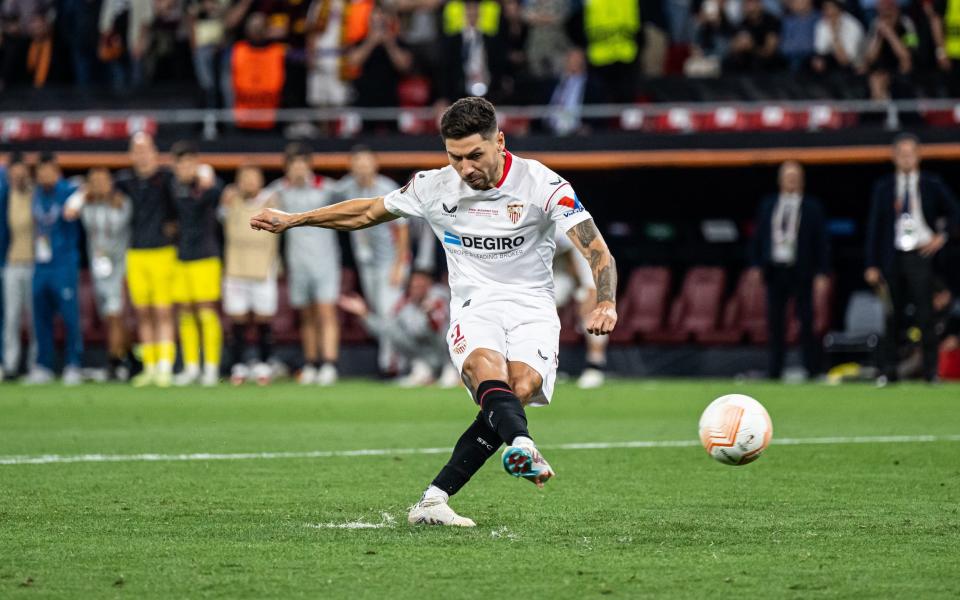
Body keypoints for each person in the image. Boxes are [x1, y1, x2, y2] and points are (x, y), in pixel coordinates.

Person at [251, 96, 618, 527]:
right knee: (486, 371)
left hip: (532, 304)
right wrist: (295, 219)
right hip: (474, 303)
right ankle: (521, 443)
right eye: (455, 157)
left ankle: (433, 499)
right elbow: (368, 211)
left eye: (475, 155)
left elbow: (596, 249)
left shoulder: (542, 183)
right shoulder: (434, 186)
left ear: (500, 141)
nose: (465, 168)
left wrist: (606, 300)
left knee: (519, 387)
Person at [865, 133, 960, 383]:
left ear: (918, 155)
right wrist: (871, 264)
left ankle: (931, 372)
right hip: (893, 256)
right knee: (892, 314)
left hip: (921, 255)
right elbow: (875, 227)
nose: (906, 158)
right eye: (902, 154)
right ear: (895, 157)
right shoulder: (884, 187)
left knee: (925, 314)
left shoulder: (932, 183)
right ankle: (889, 371)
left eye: (911, 153)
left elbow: (955, 214)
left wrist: (941, 237)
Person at [265, 143, 340, 386]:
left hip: (326, 262)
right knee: (306, 316)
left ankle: (329, 365)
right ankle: (311, 364)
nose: (297, 169)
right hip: (297, 264)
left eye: (301, 164)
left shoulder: (327, 188)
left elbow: (354, 200)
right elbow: (256, 199)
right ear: (287, 168)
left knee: (326, 313)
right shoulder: (280, 191)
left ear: (309, 166)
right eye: (293, 165)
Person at [748, 161, 830, 380]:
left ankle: (811, 369)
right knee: (775, 323)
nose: (791, 180)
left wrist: (823, 271)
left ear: (801, 179)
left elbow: (821, 240)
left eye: (795, 176)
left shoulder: (812, 206)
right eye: (787, 176)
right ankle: (775, 370)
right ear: (780, 179)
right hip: (775, 270)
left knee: (806, 320)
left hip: (801, 270)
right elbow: (759, 237)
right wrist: (756, 264)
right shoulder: (768, 204)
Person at [332, 146, 409, 375]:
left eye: (366, 163)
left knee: (388, 312)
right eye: (358, 163)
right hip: (366, 263)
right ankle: (388, 363)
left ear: (375, 164)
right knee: (376, 311)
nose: (362, 167)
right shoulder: (347, 188)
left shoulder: (387, 189)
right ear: (351, 166)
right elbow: (326, 193)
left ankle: (395, 364)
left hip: (390, 261)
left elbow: (402, 229)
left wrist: (399, 265)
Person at [114, 132, 178, 387]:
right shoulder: (124, 182)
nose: (141, 155)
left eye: (146, 150)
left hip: (163, 252)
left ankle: (165, 366)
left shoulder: (167, 179)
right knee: (143, 313)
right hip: (136, 252)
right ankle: (150, 366)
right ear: (131, 155)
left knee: (163, 311)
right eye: (136, 150)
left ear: (154, 153)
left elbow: (197, 177)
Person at [64, 168, 133, 381]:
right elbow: (68, 211)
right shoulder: (88, 204)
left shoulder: (122, 203)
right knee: (109, 316)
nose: (100, 185)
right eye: (94, 181)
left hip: (119, 266)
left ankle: (114, 363)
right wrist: (83, 193)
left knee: (115, 315)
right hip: (98, 268)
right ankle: (127, 357)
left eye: (103, 181)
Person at [339, 269, 460, 387]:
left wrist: (431, 316)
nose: (417, 288)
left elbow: (436, 329)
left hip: (452, 354)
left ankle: (453, 369)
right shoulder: (406, 306)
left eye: (421, 285)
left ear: (429, 285)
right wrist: (364, 314)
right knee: (395, 330)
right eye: (414, 285)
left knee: (448, 327)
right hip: (426, 357)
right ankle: (424, 368)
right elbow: (387, 329)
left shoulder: (442, 297)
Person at [170, 142, 223, 387]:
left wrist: (207, 174)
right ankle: (191, 367)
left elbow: (219, 191)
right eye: (181, 163)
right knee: (185, 314)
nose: (185, 168)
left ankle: (211, 367)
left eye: (190, 163)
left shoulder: (208, 187)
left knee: (206, 312)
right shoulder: (172, 187)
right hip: (181, 256)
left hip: (206, 256)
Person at [221, 164, 279, 386]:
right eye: (244, 178)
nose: (249, 182)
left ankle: (264, 363)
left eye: (253, 178)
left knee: (264, 320)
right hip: (236, 269)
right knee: (238, 321)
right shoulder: (230, 202)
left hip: (263, 269)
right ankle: (238, 365)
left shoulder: (272, 203)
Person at [27, 153, 82, 385]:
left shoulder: (69, 191)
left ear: (56, 171)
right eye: (40, 171)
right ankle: (44, 365)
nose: (44, 175)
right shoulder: (37, 194)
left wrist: (79, 200)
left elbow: (86, 186)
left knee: (70, 317)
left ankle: (74, 364)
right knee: (40, 316)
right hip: (41, 264)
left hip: (64, 263)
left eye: (48, 170)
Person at [554, 228, 609, 388]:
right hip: (553, 265)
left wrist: (587, 291)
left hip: (581, 256)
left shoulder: (574, 230)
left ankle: (595, 367)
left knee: (590, 311)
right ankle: (543, 367)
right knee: (541, 310)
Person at [2, 151, 37, 379]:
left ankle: (36, 365)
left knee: (35, 318)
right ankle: (10, 364)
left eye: (20, 174)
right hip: (12, 263)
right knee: (11, 317)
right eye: (13, 175)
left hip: (36, 263)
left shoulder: (36, 195)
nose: (17, 179)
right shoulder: (4, 196)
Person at [861, 0, 918, 100]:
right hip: (882, 68)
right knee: (875, 79)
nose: (886, 14)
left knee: (906, 64)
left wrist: (890, 33)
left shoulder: (906, 23)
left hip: (900, 67)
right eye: (882, 11)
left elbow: (907, 54)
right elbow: (870, 57)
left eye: (889, 10)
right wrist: (880, 37)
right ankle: (882, 111)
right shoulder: (875, 24)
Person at [812, 0, 865, 75]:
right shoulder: (822, 24)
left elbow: (844, 60)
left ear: (838, 8)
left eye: (829, 7)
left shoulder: (853, 26)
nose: (825, 11)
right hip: (832, 63)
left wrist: (835, 34)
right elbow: (820, 51)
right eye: (824, 8)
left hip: (854, 66)